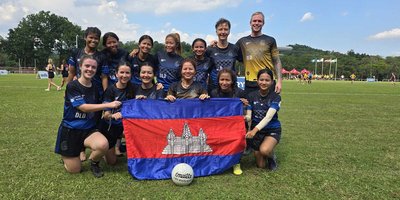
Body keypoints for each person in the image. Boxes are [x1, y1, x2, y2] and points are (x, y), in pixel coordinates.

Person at [54, 55, 122, 178]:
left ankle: (94, 163)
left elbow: (111, 97)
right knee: (74, 170)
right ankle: (67, 156)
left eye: (93, 67)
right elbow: (83, 107)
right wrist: (108, 105)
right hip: (71, 130)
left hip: (88, 131)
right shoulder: (72, 86)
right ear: (80, 67)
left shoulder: (96, 89)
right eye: (87, 66)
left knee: (102, 145)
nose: (90, 69)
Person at [210, 68, 248, 175]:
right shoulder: (213, 93)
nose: (224, 82)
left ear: (232, 81)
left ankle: (236, 162)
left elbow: (247, 110)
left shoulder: (240, 93)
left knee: (237, 137)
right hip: (219, 124)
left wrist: (242, 104)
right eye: (222, 80)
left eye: (227, 80)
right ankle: (218, 160)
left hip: (234, 126)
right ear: (218, 80)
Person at [236, 11, 283, 94]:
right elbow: (229, 50)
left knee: (268, 107)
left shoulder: (270, 40)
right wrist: (215, 44)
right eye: (254, 21)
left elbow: (276, 61)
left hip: (267, 81)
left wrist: (279, 81)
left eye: (259, 21)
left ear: (263, 23)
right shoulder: (242, 41)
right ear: (250, 23)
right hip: (250, 83)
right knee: (249, 107)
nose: (257, 23)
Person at [245, 68, 282, 171]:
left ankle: (271, 155)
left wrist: (254, 130)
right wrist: (244, 118)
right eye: (261, 80)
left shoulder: (276, 97)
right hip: (257, 132)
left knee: (265, 150)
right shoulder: (251, 96)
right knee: (261, 165)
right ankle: (263, 150)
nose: (263, 82)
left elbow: (268, 117)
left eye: (267, 80)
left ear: (272, 82)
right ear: (257, 81)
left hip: (272, 130)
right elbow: (249, 116)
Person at [100, 62, 135, 163]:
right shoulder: (110, 90)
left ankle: (124, 147)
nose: (124, 75)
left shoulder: (134, 88)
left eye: (127, 73)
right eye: (122, 72)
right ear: (116, 74)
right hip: (110, 126)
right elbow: (106, 115)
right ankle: (106, 147)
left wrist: (158, 86)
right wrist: (112, 115)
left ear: (131, 74)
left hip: (126, 125)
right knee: (111, 162)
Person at [67, 27, 107, 96]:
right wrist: (67, 90)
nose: (93, 40)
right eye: (91, 37)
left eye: (96, 38)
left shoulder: (102, 56)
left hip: (96, 92)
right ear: (85, 37)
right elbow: (71, 73)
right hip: (79, 90)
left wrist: (106, 94)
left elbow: (104, 77)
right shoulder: (76, 53)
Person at [206, 18, 240, 93]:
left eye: (226, 29)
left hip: (232, 90)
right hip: (214, 90)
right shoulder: (209, 50)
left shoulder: (235, 48)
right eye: (220, 29)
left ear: (229, 31)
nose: (223, 32)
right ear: (216, 31)